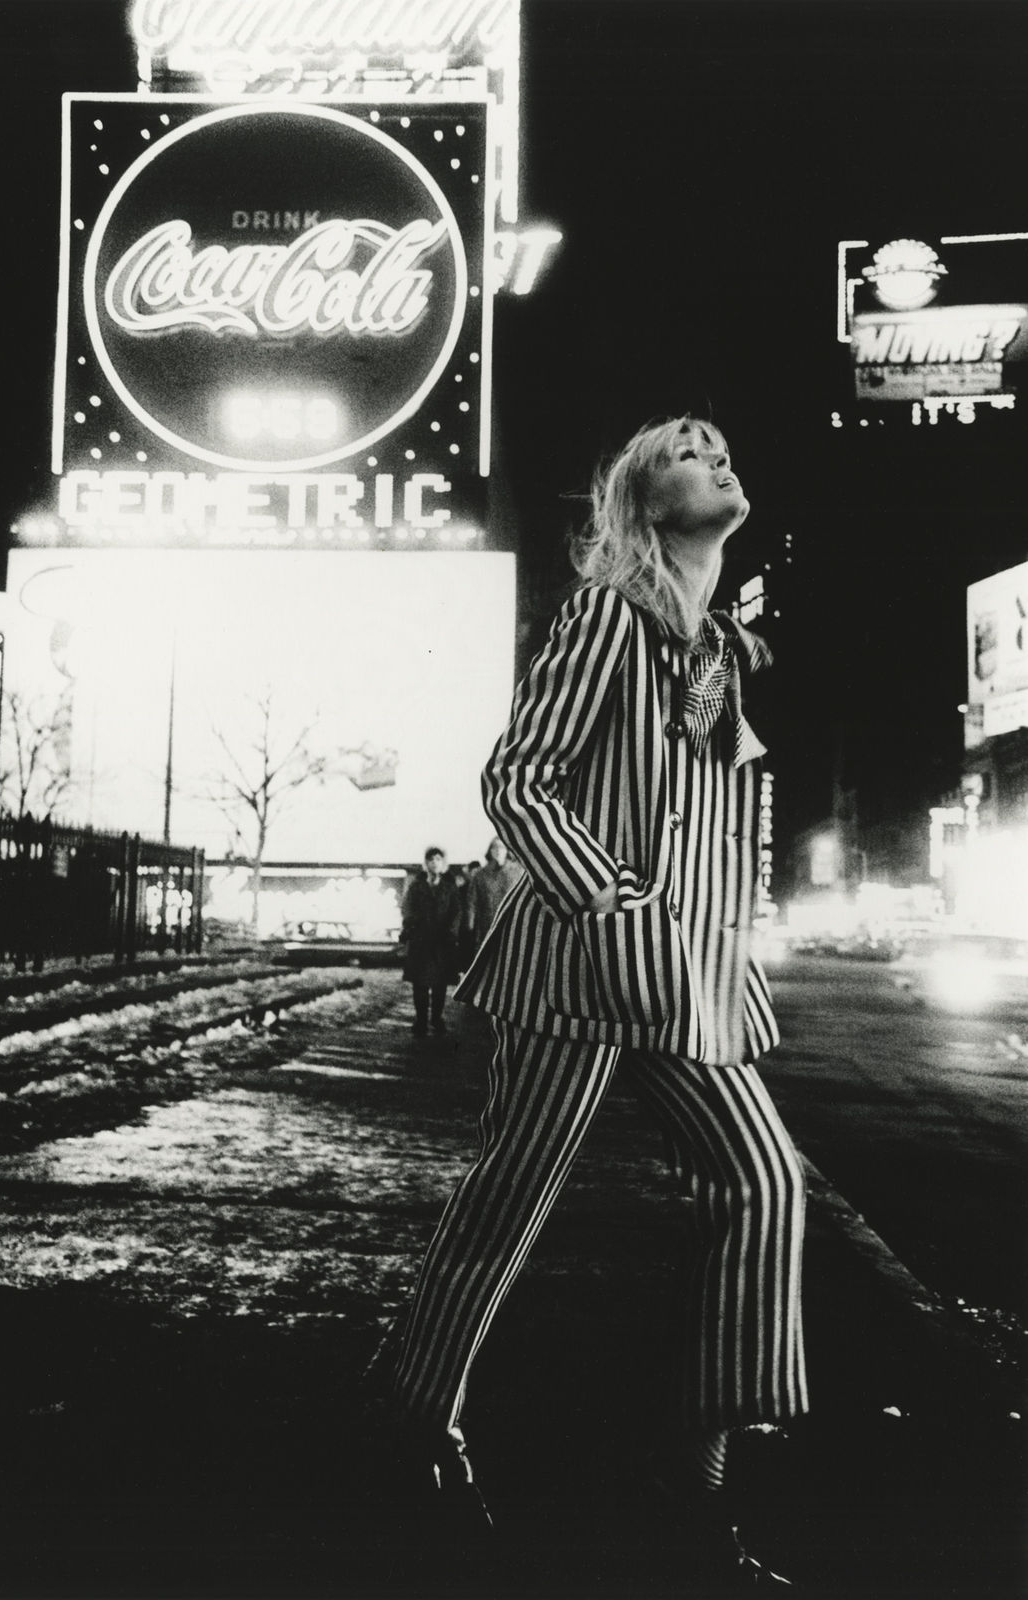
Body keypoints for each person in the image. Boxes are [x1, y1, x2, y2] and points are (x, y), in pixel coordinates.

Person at [386, 416, 806, 1585]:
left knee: (763, 1184)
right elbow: (515, 779)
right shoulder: (606, 617)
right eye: (685, 453)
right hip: (577, 968)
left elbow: (705, 813)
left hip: (686, 977)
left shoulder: (712, 649)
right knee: (505, 1203)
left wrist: (722, 943)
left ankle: (700, 1475)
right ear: (643, 502)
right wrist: (605, 897)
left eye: (720, 447)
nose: (716, 457)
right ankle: (413, 1425)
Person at [400, 847, 462, 1037]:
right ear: (426, 863)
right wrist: (410, 927)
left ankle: (436, 1018)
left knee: (439, 985)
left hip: (442, 944)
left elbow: (457, 912)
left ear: (443, 864)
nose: (434, 863)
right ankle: (421, 1020)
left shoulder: (450, 888)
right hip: (421, 943)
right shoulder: (416, 887)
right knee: (420, 984)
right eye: (431, 859)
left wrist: (451, 933)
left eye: (438, 859)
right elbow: (407, 909)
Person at [464, 837, 523, 960]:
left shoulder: (517, 872)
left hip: (511, 923)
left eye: (501, 847)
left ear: (507, 850)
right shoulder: (480, 875)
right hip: (487, 924)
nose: (498, 850)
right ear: (490, 851)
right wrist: (470, 922)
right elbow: (472, 900)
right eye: (494, 847)